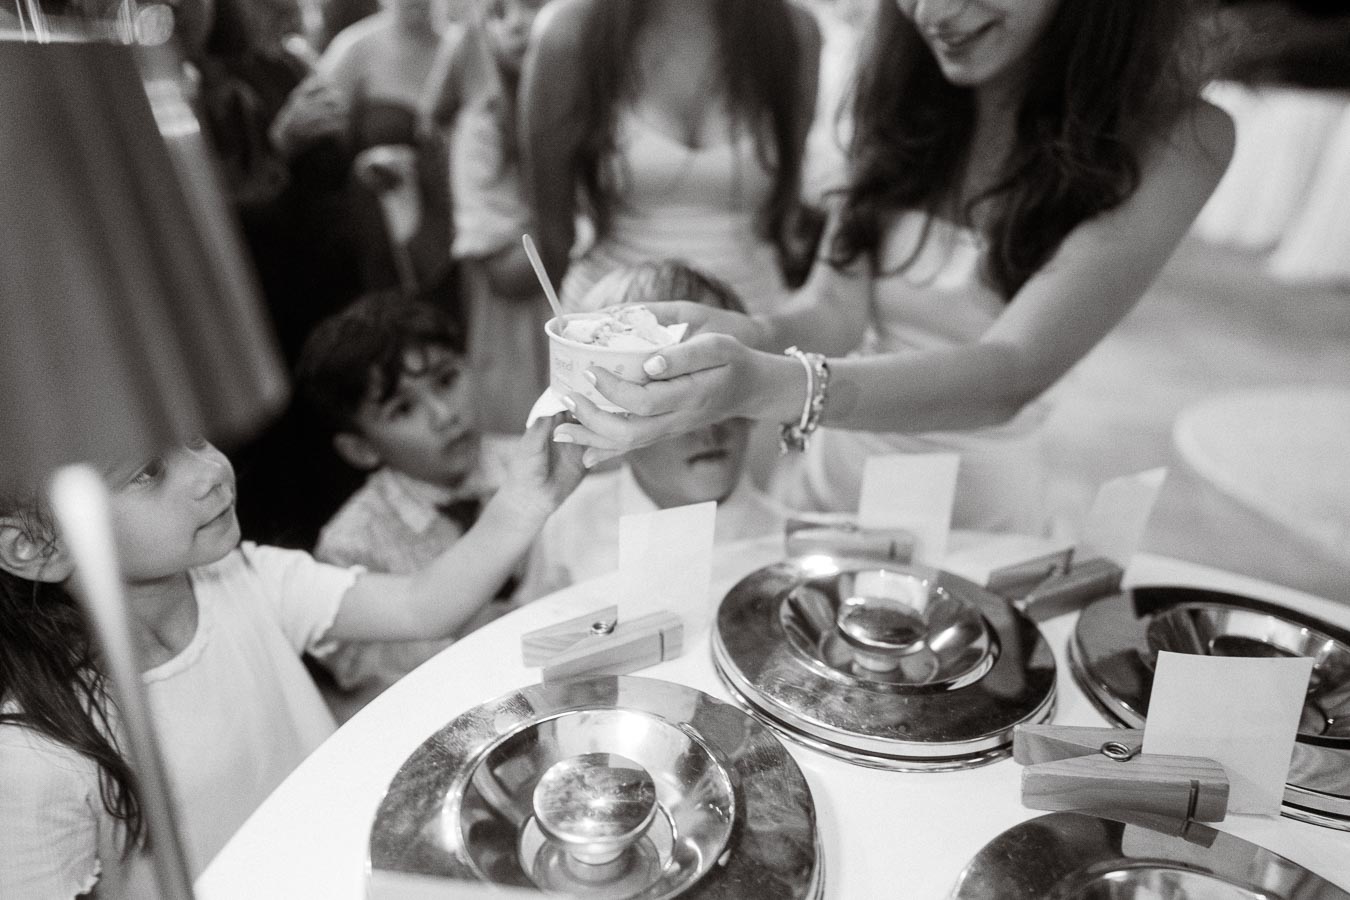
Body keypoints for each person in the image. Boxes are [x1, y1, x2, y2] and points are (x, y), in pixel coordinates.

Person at [551, 0, 1236, 534]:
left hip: (980, 517)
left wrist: (769, 385)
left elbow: (1010, 370)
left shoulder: (1184, 140)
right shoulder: (905, 94)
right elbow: (833, 313)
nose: (932, 14)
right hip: (831, 491)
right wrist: (737, 335)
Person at [0, 421, 582, 896]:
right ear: (34, 547)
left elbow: (418, 606)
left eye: (195, 438)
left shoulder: (241, 575)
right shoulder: (32, 753)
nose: (211, 473)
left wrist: (528, 499)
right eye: (148, 473)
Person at [519, 0, 823, 314]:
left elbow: (787, 212)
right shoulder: (569, 31)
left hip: (756, 326)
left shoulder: (795, 32)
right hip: (607, 334)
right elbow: (552, 237)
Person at [295, 293, 514, 711]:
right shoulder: (351, 547)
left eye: (447, 381)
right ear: (361, 449)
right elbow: (363, 678)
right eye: (403, 408)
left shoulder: (537, 464)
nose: (444, 414)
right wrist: (460, 640)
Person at [520, 261, 789, 600]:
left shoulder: (788, 549)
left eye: (724, 394)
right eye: (673, 399)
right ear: (610, 409)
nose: (710, 428)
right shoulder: (569, 523)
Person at [420, 0, 553, 433]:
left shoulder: (601, 114)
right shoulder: (481, 129)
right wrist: (578, 213)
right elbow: (508, 275)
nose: (515, 24)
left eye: (532, 4)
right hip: (523, 350)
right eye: (498, 13)